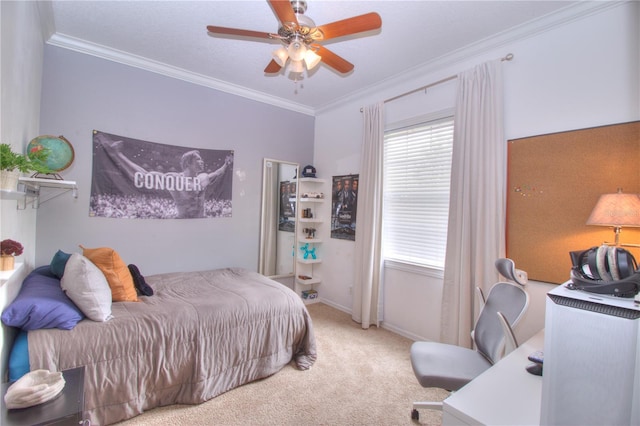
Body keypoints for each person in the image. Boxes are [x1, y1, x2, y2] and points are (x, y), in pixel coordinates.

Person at [96, 134, 232, 218]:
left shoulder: (203, 178)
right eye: (198, 159)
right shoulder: (175, 179)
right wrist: (118, 155)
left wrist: (226, 164)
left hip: (202, 220)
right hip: (181, 222)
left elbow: (218, 173)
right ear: (188, 163)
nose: (202, 162)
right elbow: (143, 176)